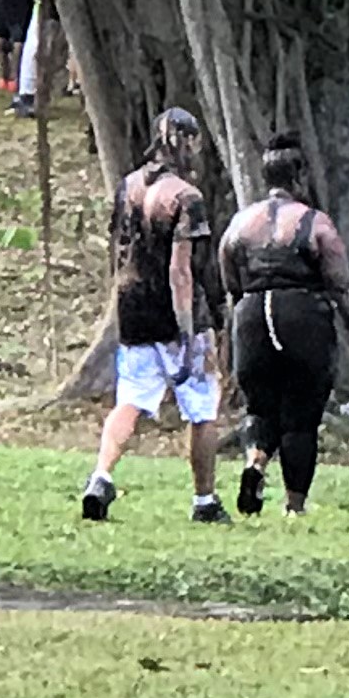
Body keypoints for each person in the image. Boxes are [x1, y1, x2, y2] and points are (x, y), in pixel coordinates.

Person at [82, 107, 227, 523]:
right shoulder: (186, 197)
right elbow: (180, 271)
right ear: (187, 142)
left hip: (133, 306)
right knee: (202, 406)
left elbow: (118, 251)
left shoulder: (127, 186)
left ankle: (101, 477)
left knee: (130, 400)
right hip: (173, 310)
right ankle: (204, 500)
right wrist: (187, 331)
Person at [215, 137, 349, 522]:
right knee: (300, 415)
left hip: (251, 316)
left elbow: (228, 275)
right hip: (302, 317)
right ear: (300, 175)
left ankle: (255, 462)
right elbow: (339, 280)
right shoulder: (314, 222)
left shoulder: (242, 221)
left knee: (259, 407)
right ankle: (294, 504)